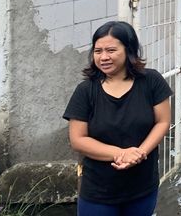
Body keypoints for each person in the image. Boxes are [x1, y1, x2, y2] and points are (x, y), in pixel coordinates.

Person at [63, 21, 172, 216]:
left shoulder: (151, 81)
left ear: (128, 50)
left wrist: (139, 153)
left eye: (111, 50)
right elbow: (78, 140)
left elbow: (162, 122)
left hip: (142, 186)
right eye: (98, 51)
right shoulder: (86, 91)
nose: (103, 57)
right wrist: (120, 154)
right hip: (98, 191)